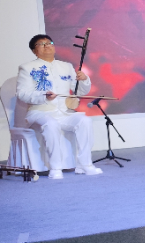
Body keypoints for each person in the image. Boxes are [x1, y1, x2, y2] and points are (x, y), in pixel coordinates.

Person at [16, 34, 102, 179]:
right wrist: (43, 96)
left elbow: (79, 91)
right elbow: (22, 94)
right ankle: (55, 167)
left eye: (49, 43)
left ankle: (85, 164)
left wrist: (84, 80)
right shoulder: (27, 68)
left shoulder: (66, 66)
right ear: (34, 51)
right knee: (51, 124)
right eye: (41, 44)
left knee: (85, 121)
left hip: (64, 112)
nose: (47, 46)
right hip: (40, 112)